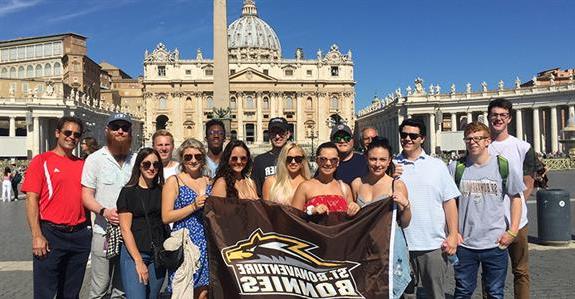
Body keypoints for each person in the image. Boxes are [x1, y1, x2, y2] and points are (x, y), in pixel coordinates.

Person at [449, 122, 524, 298]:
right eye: (468, 139)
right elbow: (448, 202)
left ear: (488, 141)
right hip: (465, 244)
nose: (472, 142)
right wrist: (452, 232)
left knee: (495, 292)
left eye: (478, 138)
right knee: (462, 291)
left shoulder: (503, 166)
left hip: (496, 243)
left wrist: (512, 231)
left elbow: (516, 199)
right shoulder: (455, 168)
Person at [21, 116, 91, 298]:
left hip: (80, 235)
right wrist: (37, 235)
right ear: (57, 133)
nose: (72, 137)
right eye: (67, 133)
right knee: (45, 292)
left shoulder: (84, 165)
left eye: (76, 134)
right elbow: (31, 199)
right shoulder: (41, 161)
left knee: (71, 293)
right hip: (51, 234)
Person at [394, 118, 461, 299]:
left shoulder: (437, 165)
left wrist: (453, 234)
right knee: (400, 294)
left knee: (434, 294)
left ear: (422, 138)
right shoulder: (392, 165)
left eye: (413, 135)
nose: (407, 139)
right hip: (400, 243)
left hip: (432, 243)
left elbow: (449, 202)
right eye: (404, 135)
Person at [82, 112, 136, 298]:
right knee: (100, 287)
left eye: (124, 128)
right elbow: (86, 196)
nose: (120, 131)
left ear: (130, 132)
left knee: (122, 289)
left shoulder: (137, 161)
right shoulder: (94, 160)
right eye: (115, 127)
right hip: (103, 232)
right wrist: (104, 211)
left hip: (130, 234)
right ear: (107, 130)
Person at [486, 98, 535, 298]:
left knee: (521, 271)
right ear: (488, 117)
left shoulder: (523, 147)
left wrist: (515, 208)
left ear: (509, 118)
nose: (498, 119)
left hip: (518, 222)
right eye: (494, 115)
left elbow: (528, 182)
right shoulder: (481, 145)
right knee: (489, 273)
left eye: (502, 115)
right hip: (489, 221)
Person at [162, 138, 212, 299]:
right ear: (182, 159)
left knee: (203, 292)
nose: (193, 160)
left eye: (198, 156)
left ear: (203, 158)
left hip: (206, 241)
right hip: (185, 242)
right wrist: (193, 206)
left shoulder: (209, 181)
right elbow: (166, 216)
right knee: (183, 289)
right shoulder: (174, 181)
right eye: (188, 157)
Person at [117, 148, 168, 299]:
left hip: (158, 254)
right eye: (146, 164)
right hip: (134, 254)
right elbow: (125, 229)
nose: (151, 168)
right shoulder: (128, 192)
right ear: (139, 166)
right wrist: (138, 261)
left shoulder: (163, 191)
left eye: (156, 165)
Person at [351, 137, 410, 227]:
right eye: (373, 159)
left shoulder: (396, 185)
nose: (377, 164)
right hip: (365, 239)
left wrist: (406, 206)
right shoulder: (357, 184)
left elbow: (405, 223)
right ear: (366, 158)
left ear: (389, 161)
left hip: (389, 239)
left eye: (382, 159)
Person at [292, 142, 360, 216]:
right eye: (323, 159)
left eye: (333, 160)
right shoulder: (305, 187)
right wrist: (311, 211)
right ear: (317, 160)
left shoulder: (345, 188)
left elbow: (351, 216)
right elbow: (294, 217)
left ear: (338, 162)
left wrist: (354, 208)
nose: (328, 163)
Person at [252, 117, 291, 196]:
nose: (277, 136)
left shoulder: (296, 159)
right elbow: (256, 192)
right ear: (269, 135)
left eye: (281, 132)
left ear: (288, 134)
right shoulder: (259, 161)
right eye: (273, 133)